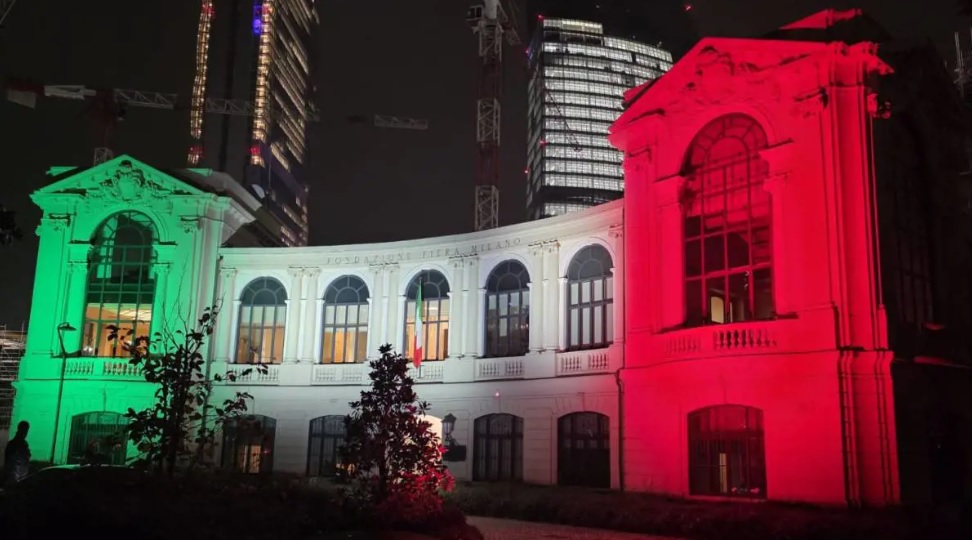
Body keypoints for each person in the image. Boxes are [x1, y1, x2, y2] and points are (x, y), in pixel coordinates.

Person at [3, 421, 31, 485]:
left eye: (26, 430)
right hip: (14, 479)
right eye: (25, 430)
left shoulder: (24, 444)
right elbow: (11, 463)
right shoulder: (14, 444)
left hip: (21, 478)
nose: (26, 433)